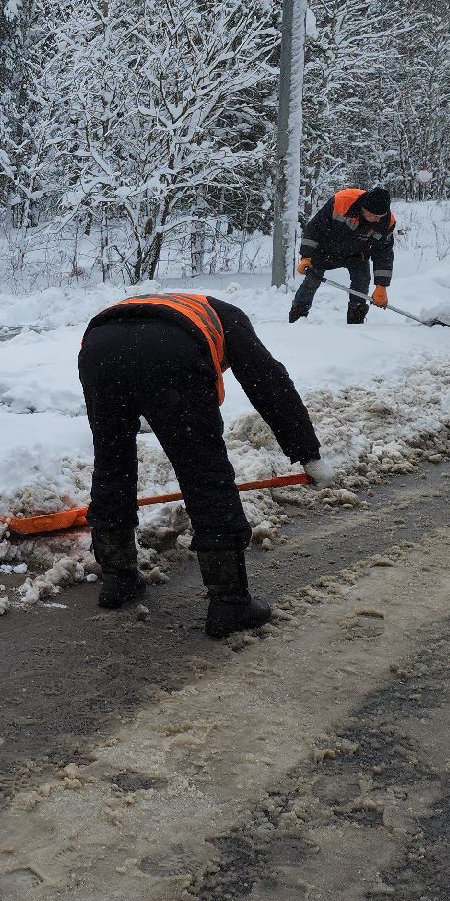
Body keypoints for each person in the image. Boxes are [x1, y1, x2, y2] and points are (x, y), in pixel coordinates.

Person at [79, 292, 337, 638]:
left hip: (100, 345)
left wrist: (142, 400)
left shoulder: (180, 305)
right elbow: (270, 383)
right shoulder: (231, 320)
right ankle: (229, 603)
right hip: (170, 349)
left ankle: (117, 579)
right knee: (205, 474)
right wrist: (309, 453)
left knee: (112, 462)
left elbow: (136, 355)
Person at [288, 186, 396, 324]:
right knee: (312, 280)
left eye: (378, 217)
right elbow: (314, 230)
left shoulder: (386, 223)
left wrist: (381, 286)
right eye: (371, 215)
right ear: (363, 208)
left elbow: (383, 254)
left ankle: (355, 322)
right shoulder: (341, 202)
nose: (375, 220)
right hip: (325, 250)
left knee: (362, 282)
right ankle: (297, 317)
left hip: (357, 254)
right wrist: (306, 257)